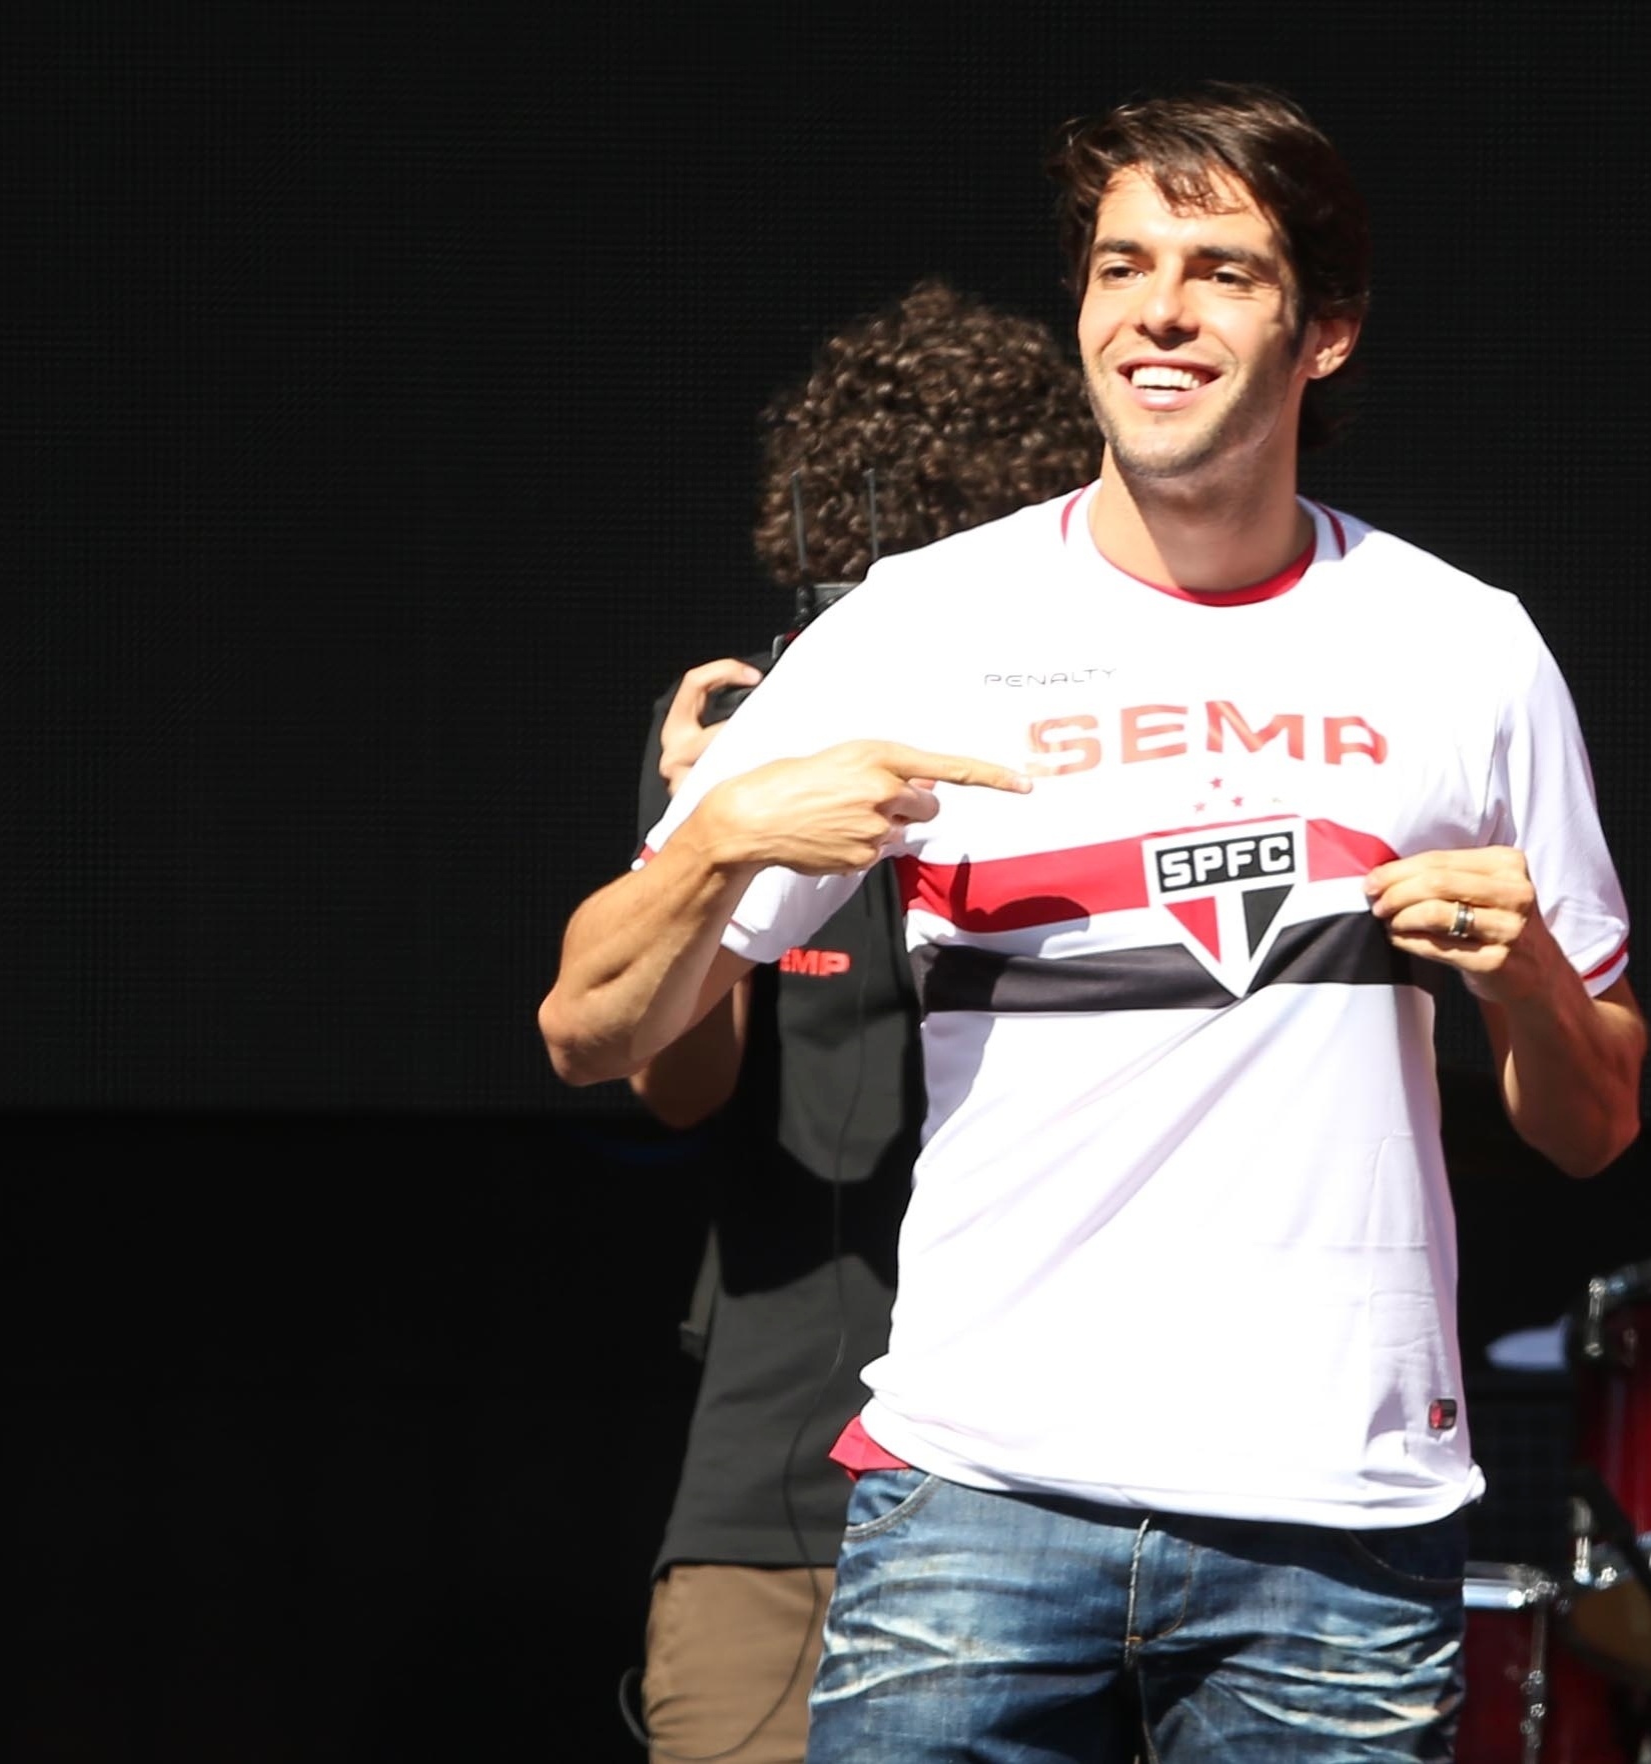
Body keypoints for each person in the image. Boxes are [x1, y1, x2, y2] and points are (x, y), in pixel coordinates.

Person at [542, 82, 1646, 1762]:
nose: (1159, 310)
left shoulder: (1466, 647)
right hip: (979, 1497)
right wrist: (714, 853)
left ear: (1324, 332)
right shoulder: (922, 623)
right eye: (1123, 265)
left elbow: (1597, 1125)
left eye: (1221, 270)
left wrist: (1535, 988)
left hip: (1339, 1524)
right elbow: (588, 1029)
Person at [628, 280, 1102, 1764]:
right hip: (784, 1481)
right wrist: (702, 844)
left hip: (1069, 1483)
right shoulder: (761, 745)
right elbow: (673, 1084)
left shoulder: (1101, 737)